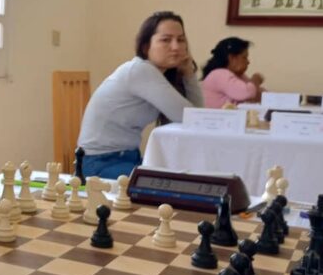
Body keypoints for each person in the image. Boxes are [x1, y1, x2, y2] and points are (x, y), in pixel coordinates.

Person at [77, 11, 203, 179]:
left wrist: (188, 74)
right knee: (176, 183)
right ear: (146, 46)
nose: (176, 47)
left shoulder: (158, 75)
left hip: (127, 158)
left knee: (186, 176)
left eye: (180, 40)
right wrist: (189, 76)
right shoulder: (140, 71)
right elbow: (190, 117)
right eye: (166, 40)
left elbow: (196, 117)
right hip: (99, 163)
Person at [201, 37, 264, 108]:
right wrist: (256, 80)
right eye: (244, 57)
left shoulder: (238, 75)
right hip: (217, 118)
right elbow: (247, 92)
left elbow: (256, 94)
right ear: (232, 58)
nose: (248, 62)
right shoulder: (219, 74)